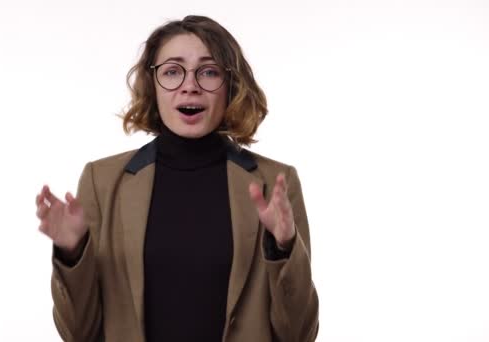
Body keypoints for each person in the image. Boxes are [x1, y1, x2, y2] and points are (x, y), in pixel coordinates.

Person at [35, 15, 319, 342]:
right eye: (172, 71)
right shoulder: (102, 181)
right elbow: (78, 333)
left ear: (231, 85)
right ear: (152, 84)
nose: (190, 85)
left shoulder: (276, 182)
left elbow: (299, 335)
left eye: (208, 71)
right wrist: (72, 253)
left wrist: (283, 248)